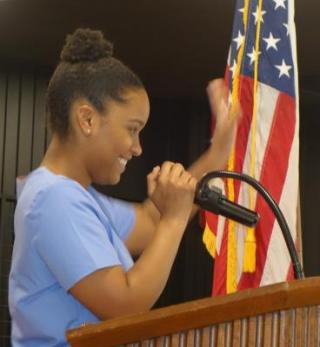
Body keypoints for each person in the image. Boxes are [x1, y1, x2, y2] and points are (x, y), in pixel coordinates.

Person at [8, 28, 239, 347]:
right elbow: (124, 304)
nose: (137, 147)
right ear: (87, 120)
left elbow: (147, 223)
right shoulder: (54, 198)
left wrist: (216, 155)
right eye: (132, 129)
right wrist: (174, 219)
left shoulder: (78, 197)